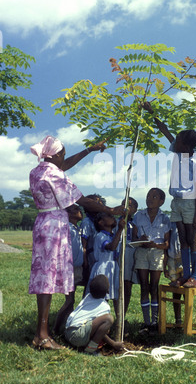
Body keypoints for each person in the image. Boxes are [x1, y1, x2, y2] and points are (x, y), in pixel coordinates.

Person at [29, 135, 125, 350]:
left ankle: (42, 333)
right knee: (47, 281)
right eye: (62, 153)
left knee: (45, 278)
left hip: (43, 223)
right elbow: (80, 199)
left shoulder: (38, 170)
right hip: (54, 226)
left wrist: (89, 150)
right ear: (54, 155)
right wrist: (110, 210)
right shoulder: (54, 174)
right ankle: (42, 336)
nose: (64, 157)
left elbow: (63, 165)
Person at [143, 102, 196, 288]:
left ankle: (194, 275)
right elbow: (164, 129)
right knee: (182, 238)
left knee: (191, 238)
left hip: (189, 203)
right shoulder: (179, 154)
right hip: (176, 202)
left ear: (186, 145)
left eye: (177, 141)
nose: (174, 143)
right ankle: (185, 275)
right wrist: (152, 112)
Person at [132, 188, 171, 334]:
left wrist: (155, 245)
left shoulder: (165, 219)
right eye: (148, 196)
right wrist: (140, 240)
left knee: (154, 286)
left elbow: (167, 244)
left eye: (154, 197)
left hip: (157, 253)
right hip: (142, 252)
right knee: (144, 286)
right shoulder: (138, 216)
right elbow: (133, 239)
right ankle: (146, 321)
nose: (150, 199)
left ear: (161, 201)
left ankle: (154, 322)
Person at [64, 274, 124, 355]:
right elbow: (101, 331)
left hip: (67, 332)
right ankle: (90, 350)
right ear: (107, 292)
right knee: (108, 319)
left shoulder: (88, 297)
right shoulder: (104, 306)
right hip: (77, 335)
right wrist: (113, 344)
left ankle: (83, 345)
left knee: (100, 325)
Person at [85, 212, 125, 317]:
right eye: (109, 216)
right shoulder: (100, 236)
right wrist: (120, 229)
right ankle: (101, 318)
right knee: (103, 294)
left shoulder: (111, 235)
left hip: (112, 267)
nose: (113, 218)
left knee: (115, 293)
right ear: (101, 223)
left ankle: (119, 321)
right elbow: (111, 247)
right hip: (103, 268)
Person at [53, 203, 85, 335]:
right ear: (69, 214)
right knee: (69, 300)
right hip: (69, 269)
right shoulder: (68, 230)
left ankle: (65, 328)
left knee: (71, 301)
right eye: (76, 210)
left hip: (76, 267)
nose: (80, 211)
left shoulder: (75, 228)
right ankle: (55, 329)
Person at [81, 194, 106, 286]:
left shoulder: (100, 221)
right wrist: (85, 261)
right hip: (91, 256)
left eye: (100, 202)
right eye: (95, 202)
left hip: (99, 256)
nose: (99, 204)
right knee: (92, 282)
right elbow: (84, 244)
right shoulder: (87, 222)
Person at [120, 197, 139, 317]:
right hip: (118, 257)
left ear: (135, 210)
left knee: (127, 286)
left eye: (130, 206)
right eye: (124, 204)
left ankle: (122, 315)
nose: (126, 207)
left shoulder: (135, 224)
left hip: (130, 257)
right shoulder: (116, 221)